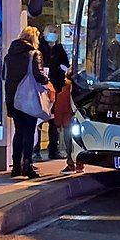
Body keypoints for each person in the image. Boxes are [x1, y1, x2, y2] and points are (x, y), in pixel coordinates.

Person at [4, 26, 49, 179]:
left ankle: (15, 166)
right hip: (28, 98)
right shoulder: (34, 54)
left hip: (12, 98)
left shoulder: (9, 55)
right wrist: (47, 79)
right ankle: (27, 166)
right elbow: (39, 76)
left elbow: (4, 75)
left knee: (19, 131)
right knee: (29, 131)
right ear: (34, 38)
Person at [39, 24, 70, 160]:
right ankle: (36, 149)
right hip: (42, 88)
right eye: (51, 31)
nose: (53, 34)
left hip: (56, 87)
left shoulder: (59, 49)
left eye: (55, 32)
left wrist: (62, 69)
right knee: (39, 119)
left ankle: (53, 148)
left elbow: (66, 65)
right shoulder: (39, 48)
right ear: (44, 34)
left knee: (54, 120)